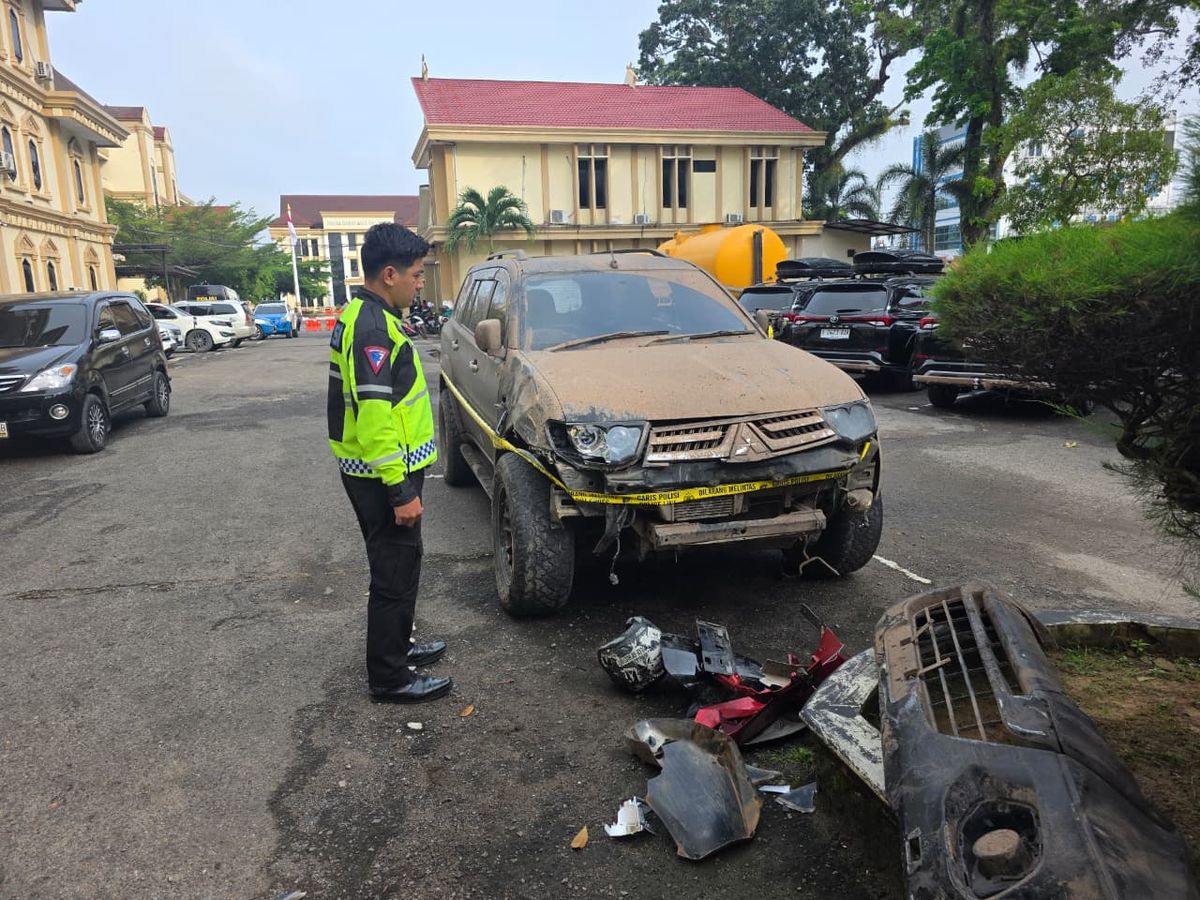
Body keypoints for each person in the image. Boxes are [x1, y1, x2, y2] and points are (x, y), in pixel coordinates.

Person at [327, 222, 451, 703]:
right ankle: (389, 677)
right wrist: (399, 491)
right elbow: (375, 417)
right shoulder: (373, 329)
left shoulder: (366, 314)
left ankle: (399, 648)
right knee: (393, 572)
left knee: (403, 562)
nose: (420, 283)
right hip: (382, 475)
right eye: (416, 275)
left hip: (381, 469)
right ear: (390, 274)